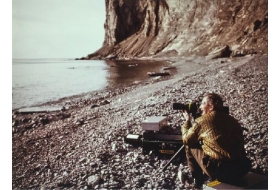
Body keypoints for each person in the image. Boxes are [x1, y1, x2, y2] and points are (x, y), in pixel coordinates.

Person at [180, 93, 251, 189]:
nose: (200, 107)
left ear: (211, 107)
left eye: (203, 103)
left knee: (190, 145)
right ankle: (229, 179)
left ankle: (198, 183)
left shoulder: (202, 121)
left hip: (220, 171)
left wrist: (187, 121)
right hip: (240, 168)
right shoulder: (232, 120)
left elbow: (186, 140)